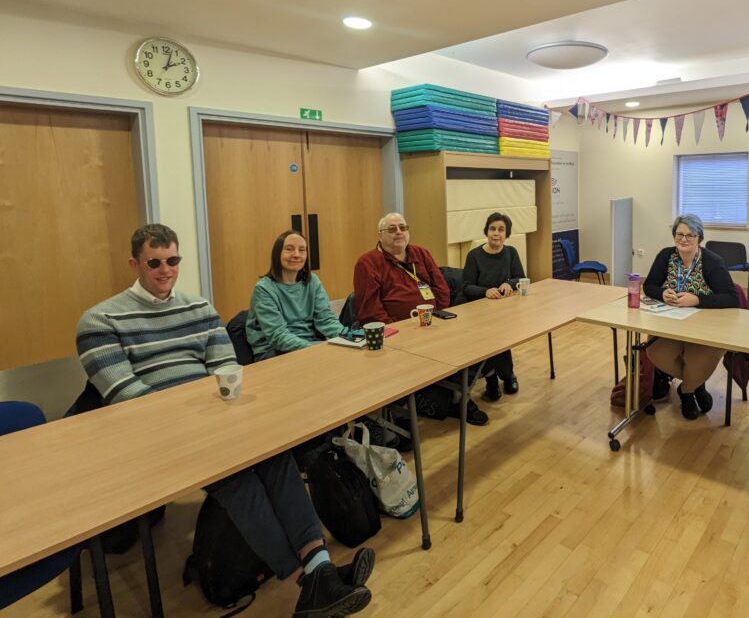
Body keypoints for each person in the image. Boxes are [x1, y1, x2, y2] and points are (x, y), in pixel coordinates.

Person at [76, 224, 374, 617]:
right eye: (154, 262)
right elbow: (127, 396)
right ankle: (313, 575)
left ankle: (318, 572)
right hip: (158, 432)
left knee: (276, 456)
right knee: (237, 478)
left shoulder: (198, 308)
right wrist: (200, 419)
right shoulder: (100, 321)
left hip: (213, 416)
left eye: (173, 260)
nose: (166, 270)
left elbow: (225, 366)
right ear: (134, 263)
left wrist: (227, 413)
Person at [353, 212, 488, 425]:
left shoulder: (421, 253)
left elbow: (441, 288)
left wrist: (439, 315)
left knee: (472, 345)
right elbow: (370, 309)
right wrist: (399, 331)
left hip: (432, 323)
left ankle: (458, 398)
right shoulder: (368, 262)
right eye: (392, 229)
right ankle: (404, 413)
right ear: (380, 235)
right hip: (398, 333)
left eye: (403, 227)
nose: (399, 232)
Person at [642, 214, 740, 419]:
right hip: (671, 324)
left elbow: (731, 298)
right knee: (655, 351)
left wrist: (697, 300)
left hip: (706, 327)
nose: (684, 239)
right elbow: (649, 285)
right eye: (679, 234)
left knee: (699, 358)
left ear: (699, 238)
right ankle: (696, 384)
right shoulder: (666, 256)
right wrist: (662, 293)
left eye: (690, 235)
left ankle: (687, 391)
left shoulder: (712, 261)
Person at [246, 229, 361, 361]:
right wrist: (317, 350)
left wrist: (350, 336)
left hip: (311, 343)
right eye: (289, 249)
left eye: (302, 250)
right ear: (277, 254)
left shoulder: (312, 281)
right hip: (273, 351)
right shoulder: (264, 289)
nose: (296, 255)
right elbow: (278, 336)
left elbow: (326, 320)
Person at [461, 212, 526, 401]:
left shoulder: (511, 252)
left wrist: (510, 284)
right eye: (492, 229)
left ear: (506, 234)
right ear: (486, 231)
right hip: (478, 311)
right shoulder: (474, 255)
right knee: (490, 341)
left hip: (504, 309)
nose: (496, 233)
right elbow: (466, 287)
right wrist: (485, 291)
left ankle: (506, 376)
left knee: (502, 339)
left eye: (501, 229)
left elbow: (520, 277)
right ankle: (494, 380)